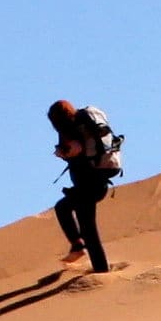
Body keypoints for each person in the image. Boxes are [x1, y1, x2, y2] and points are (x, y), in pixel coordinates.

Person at [48, 99, 123, 276]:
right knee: (81, 222)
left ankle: (92, 261)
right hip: (97, 183)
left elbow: (75, 150)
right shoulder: (83, 125)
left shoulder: (74, 129)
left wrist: (63, 152)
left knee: (70, 213)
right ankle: (83, 251)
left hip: (88, 185)